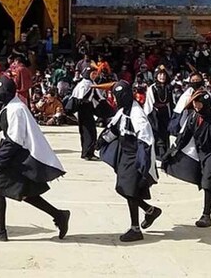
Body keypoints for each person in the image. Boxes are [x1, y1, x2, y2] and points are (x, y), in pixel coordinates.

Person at [0, 76, 70, 241]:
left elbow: (15, 140)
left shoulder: (17, 110)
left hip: (22, 157)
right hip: (20, 155)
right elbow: (3, 126)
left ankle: (0, 230)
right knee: (27, 193)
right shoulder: (12, 105)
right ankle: (59, 215)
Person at [99, 81, 161, 243]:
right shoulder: (123, 111)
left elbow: (146, 139)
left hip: (135, 155)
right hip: (124, 154)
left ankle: (135, 228)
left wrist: (143, 163)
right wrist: (103, 140)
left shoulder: (137, 114)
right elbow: (115, 128)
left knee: (128, 189)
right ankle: (150, 210)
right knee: (124, 189)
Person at [162, 90, 211, 228]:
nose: (197, 106)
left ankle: (206, 216)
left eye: (199, 103)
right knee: (203, 182)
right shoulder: (193, 117)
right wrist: (170, 152)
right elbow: (183, 136)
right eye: (195, 103)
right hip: (199, 153)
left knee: (208, 180)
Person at [68, 71, 114, 160]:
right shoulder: (87, 84)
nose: (95, 76)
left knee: (86, 131)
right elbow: (83, 97)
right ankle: (88, 153)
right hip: (85, 110)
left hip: (85, 109)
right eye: (93, 74)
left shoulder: (86, 83)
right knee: (89, 131)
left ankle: (86, 152)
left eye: (96, 74)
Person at [148, 66, 174, 158]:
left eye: (164, 74)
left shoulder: (169, 88)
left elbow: (171, 102)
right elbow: (149, 104)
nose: (162, 76)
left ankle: (166, 153)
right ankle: (159, 153)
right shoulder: (152, 88)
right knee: (157, 133)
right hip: (155, 113)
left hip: (166, 112)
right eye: (160, 74)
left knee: (166, 133)